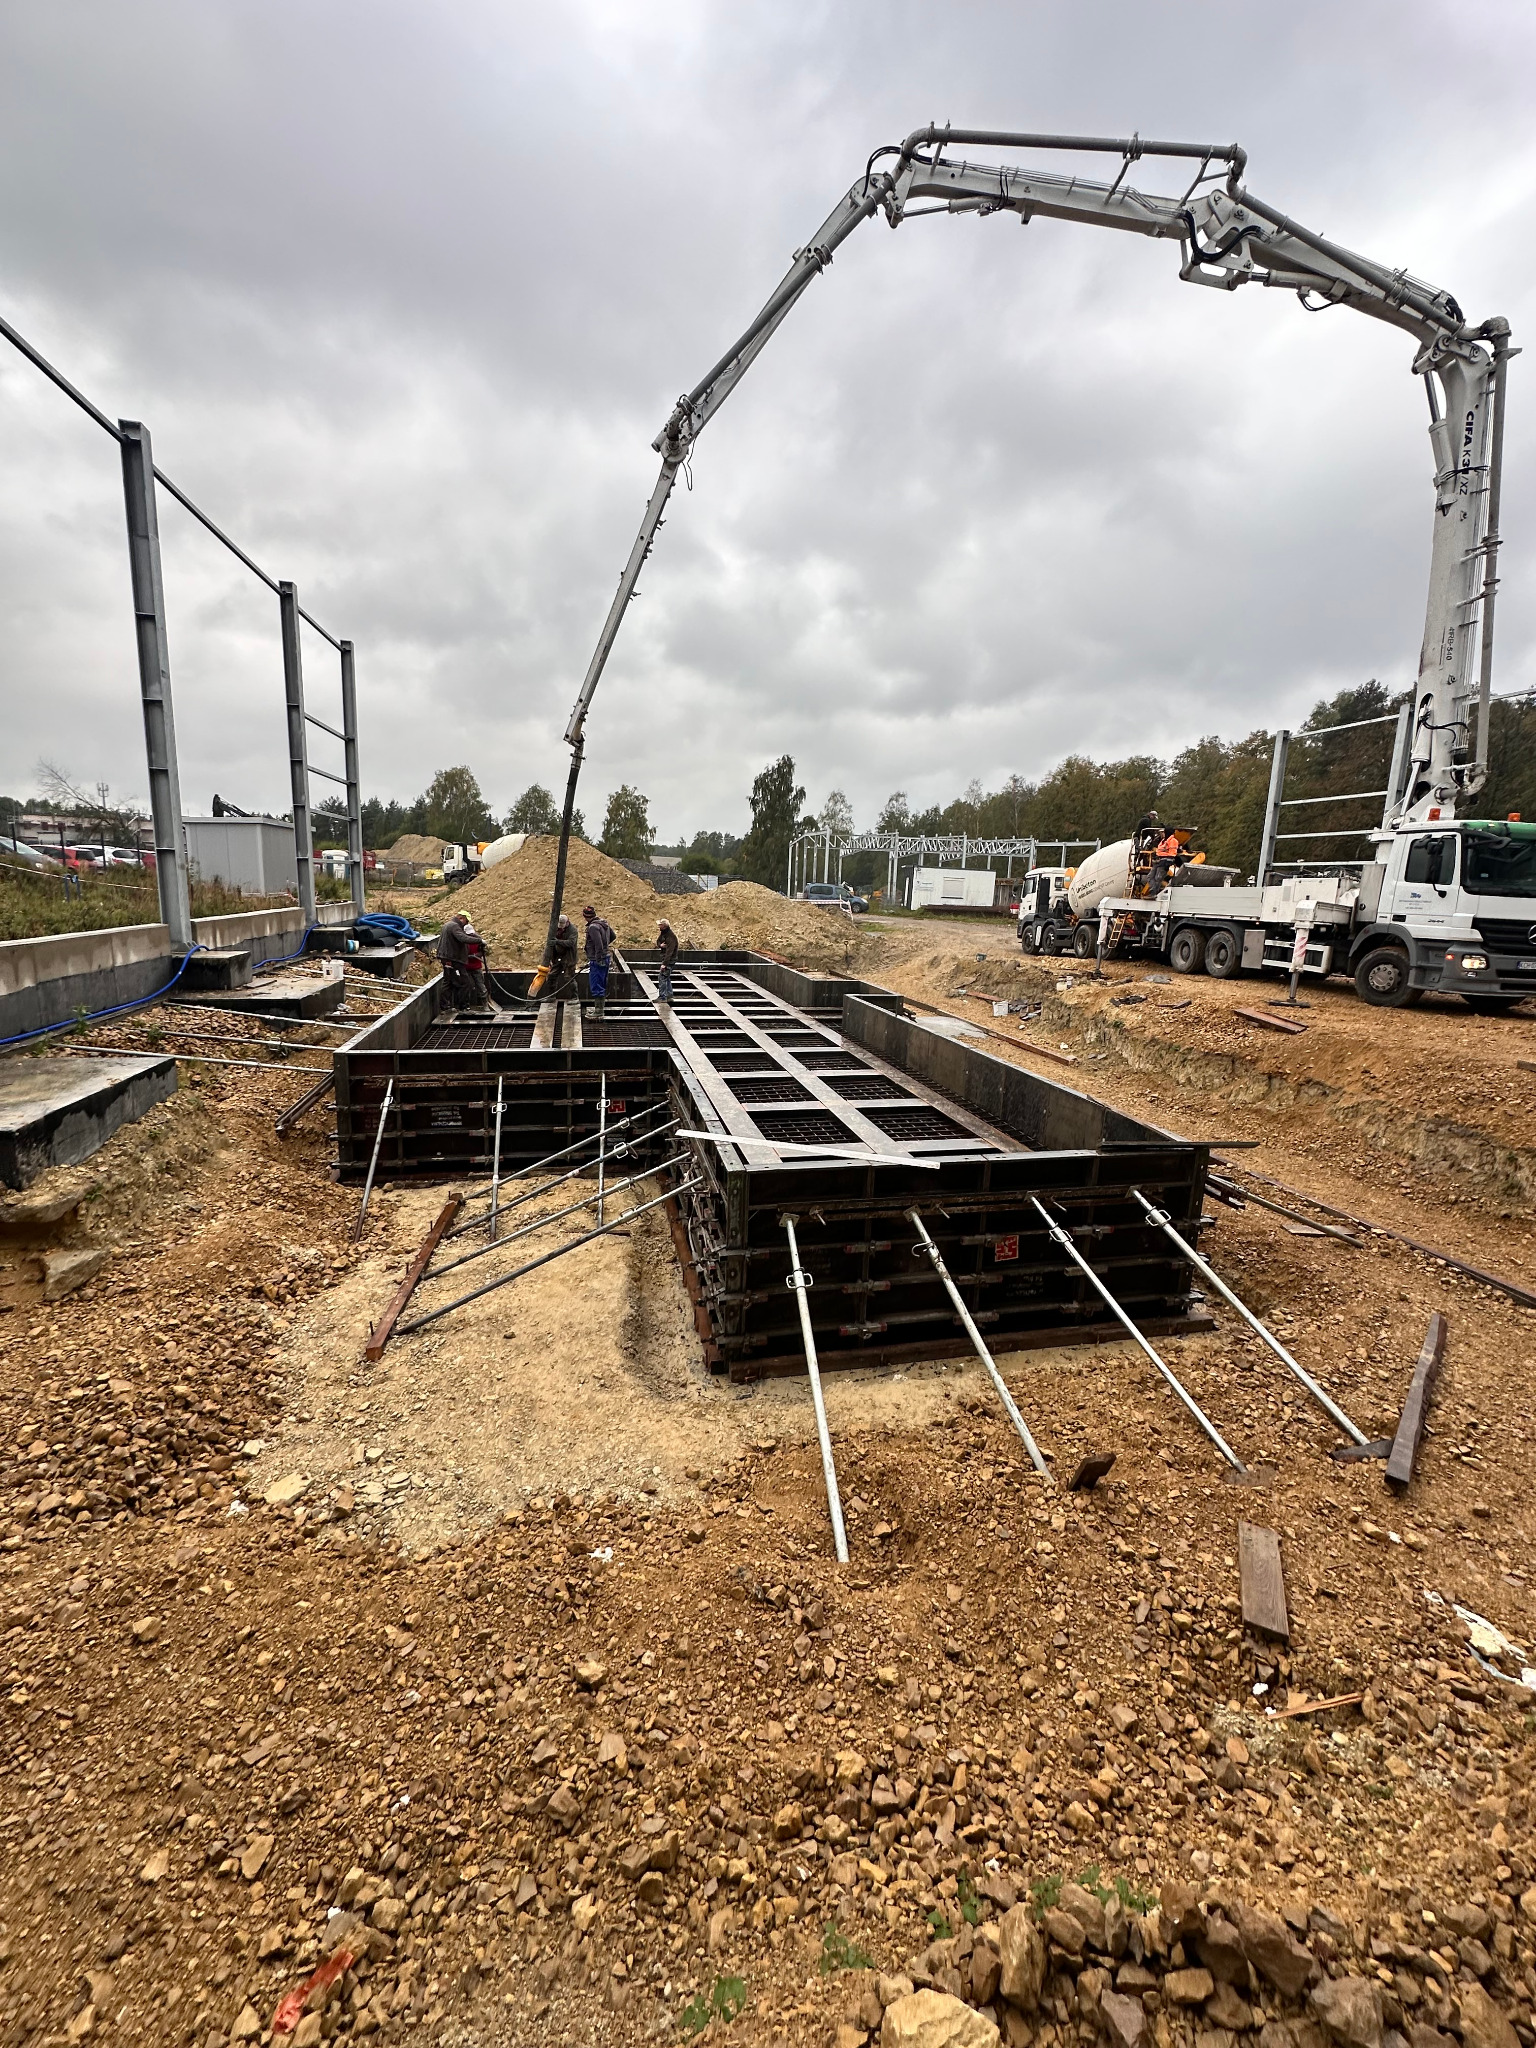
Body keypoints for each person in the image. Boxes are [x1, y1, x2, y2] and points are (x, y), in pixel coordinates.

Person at [436, 910, 489, 1009]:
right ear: (462, 918)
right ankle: (462, 1006)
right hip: (452, 959)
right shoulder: (454, 926)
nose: (466, 924)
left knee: (448, 982)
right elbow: (463, 938)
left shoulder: (448, 925)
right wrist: (479, 940)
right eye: (466, 921)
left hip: (447, 958)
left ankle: (445, 1006)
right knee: (464, 983)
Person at [582, 903, 615, 1019]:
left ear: (586, 916)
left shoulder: (593, 927)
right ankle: (599, 1008)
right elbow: (613, 936)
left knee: (596, 984)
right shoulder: (603, 923)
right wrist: (605, 948)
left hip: (598, 959)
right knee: (602, 983)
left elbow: (598, 944)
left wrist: (598, 957)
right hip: (605, 957)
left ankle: (599, 1010)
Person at [548, 912, 579, 999]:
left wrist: (557, 941)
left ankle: (574, 997)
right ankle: (551, 996)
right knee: (551, 976)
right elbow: (550, 944)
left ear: (567, 922)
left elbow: (571, 943)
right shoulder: (555, 929)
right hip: (558, 957)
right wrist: (551, 958)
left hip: (569, 957)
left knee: (569, 978)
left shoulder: (573, 930)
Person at [1148, 829, 1182, 894]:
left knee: (1158, 878)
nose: (1161, 834)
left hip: (1164, 862)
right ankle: (1152, 890)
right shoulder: (1163, 841)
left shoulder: (1173, 841)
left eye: (1163, 832)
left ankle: (1154, 893)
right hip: (1158, 861)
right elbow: (1159, 851)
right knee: (1150, 876)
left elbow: (1172, 854)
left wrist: (1163, 857)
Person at [655, 917, 679, 1005]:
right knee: (666, 977)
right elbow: (658, 941)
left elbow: (670, 952)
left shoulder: (670, 936)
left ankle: (662, 997)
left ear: (664, 926)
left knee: (662, 977)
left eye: (660, 925)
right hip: (667, 959)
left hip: (669, 960)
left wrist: (664, 964)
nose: (658, 927)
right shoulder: (664, 934)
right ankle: (669, 996)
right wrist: (660, 945)